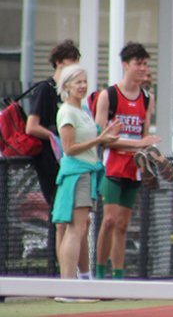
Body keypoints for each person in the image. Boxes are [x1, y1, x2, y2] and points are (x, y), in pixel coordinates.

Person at [51, 65, 122, 300]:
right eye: (77, 82)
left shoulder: (83, 111)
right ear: (66, 86)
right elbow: (69, 149)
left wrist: (104, 135)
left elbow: (92, 138)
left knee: (79, 228)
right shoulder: (67, 112)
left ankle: (73, 285)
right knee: (75, 229)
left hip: (87, 173)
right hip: (77, 174)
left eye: (84, 81)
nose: (83, 85)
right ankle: (68, 289)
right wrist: (100, 139)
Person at [94, 42, 163, 280]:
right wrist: (135, 144)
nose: (143, 68)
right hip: (112, 167)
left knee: (123, 225)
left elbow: (144, 137)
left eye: (145, 63)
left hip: (133, 169)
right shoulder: (109, 95)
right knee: (109, 221)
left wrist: (152, 158)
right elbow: (102, 139)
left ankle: (118, 277)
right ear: (126, 65)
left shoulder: (147, 99)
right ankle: (99, 274)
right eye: (138, 63)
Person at [25, 39, 93, 280]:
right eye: (70, 62)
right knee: (63, 223)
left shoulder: (75, 101)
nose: (75, 66)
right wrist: (57, 137)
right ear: (58, 63)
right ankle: (67, 279)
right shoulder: (46, 89)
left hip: (70, 164)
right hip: (51, 164)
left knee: (80, 224)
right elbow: (31, 126)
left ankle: (83, 276)